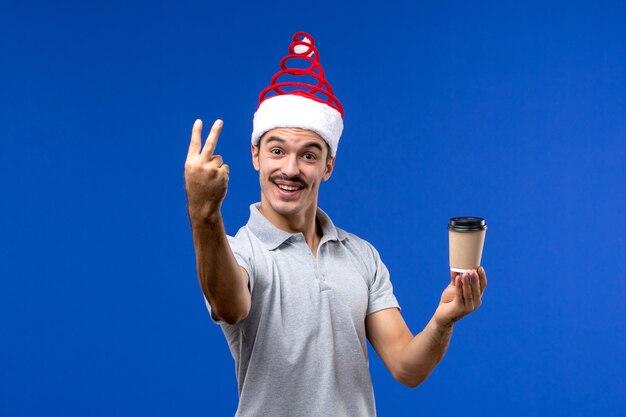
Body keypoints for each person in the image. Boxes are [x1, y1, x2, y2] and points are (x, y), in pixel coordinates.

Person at [184, 32, 487, 417]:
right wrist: (204, 212)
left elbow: (407, 368)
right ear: (255, 155)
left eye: (308, 155)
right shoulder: (237, 251)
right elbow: (230, 307)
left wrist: (444, 320)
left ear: (328, 166)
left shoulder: (362, 256)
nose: (290, 169)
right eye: (277, 151)